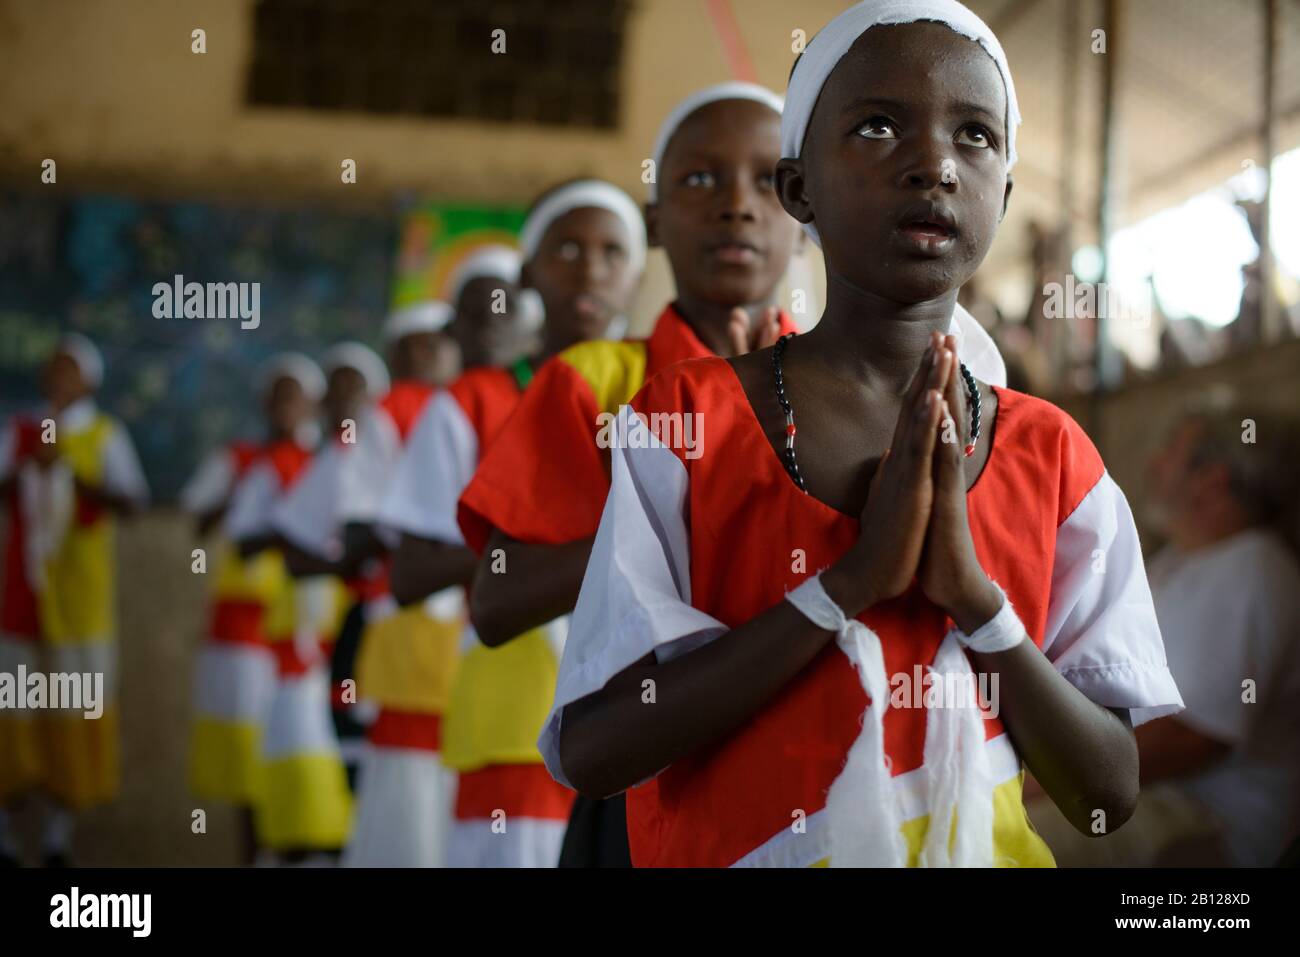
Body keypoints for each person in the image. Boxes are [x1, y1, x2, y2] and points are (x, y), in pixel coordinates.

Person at [539, 0, 1184, 868]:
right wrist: (843, 588)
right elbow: (596, 746)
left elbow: (1106, 792)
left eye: (975, 138)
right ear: (797, 188)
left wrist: (975, 599)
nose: (935, 165)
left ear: (1005, 193)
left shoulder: (1056, 457)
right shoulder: (685, 423)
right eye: (879, 127)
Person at [383, 189, 644, 867]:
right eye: (565, 250)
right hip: (515, 704)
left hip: (644, 709)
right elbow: (409, 572)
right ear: (527, 276)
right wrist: (524, 564)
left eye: (612, 252)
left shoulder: (669, 388)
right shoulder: (473, 401)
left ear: (637, 273)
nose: (589, 271)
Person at [1030, 404, 1300, 866]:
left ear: (1210, 480)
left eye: (1171, 452)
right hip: (1124, 789)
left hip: (1200, 817)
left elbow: (1192, 739)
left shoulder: (1254, 567)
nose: (1154, 464)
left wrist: (1037, 784)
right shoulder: (1177, 561)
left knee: (993, 839)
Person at [0, 333, 148, 866]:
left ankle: (59, 838)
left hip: (80, 602)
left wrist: (72, 472)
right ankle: (10, 837)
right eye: (52, 367)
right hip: (21, 600)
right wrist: (29, 469)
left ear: (90, 381)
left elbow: (131, 501)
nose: (58, 378)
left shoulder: (104, 435)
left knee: (71, 714)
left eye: (70, 369)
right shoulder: (21, 429)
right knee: (14, 713)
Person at [183, 354, 320, 862]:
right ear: (265, 404)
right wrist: (245, 495)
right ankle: (254, 857)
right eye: (277, 396)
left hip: (304, 630)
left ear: (313, 405)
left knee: (298, 751)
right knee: (247, 754)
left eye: (296, 396)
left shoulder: (326, 462)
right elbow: (198, 520)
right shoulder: (239, 459)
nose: (286, 406)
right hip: (242, 628)